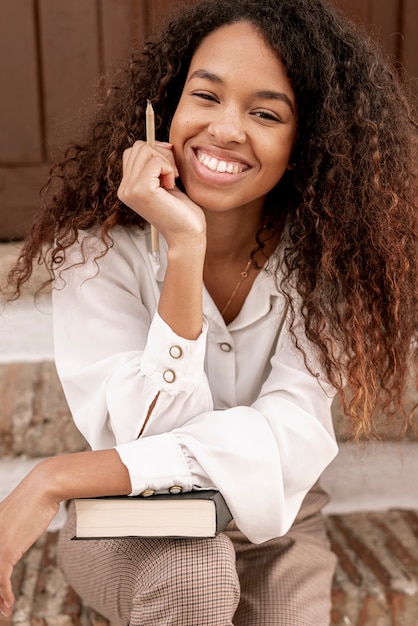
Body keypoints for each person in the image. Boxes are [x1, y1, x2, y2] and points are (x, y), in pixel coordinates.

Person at [1, 0, 417, 623]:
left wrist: (54, 476)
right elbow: (144, 440)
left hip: (276, 519)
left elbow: (291, 435)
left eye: (266, 113)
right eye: (206, 96)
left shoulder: (331, 261)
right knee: (190, 571)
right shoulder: (95, 254)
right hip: (130, 518)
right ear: (165, 108)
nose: (225, 129)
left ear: (307, 142)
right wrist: (184, 248)